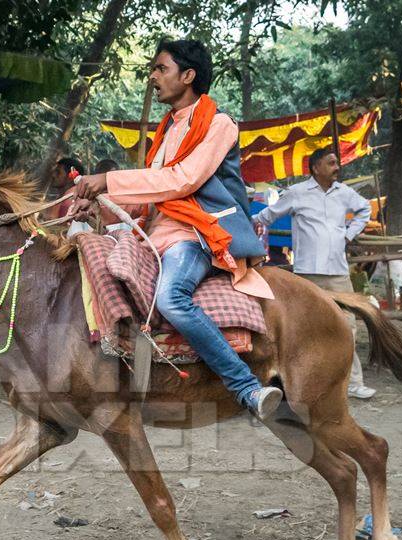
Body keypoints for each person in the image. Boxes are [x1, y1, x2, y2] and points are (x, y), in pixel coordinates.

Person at [73, 39, 282, 419]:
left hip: (197, 235)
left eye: (160, 68)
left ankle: (246, 387)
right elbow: (153, 193)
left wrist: (108, 180)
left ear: (188, 76)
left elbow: (182, 180)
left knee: (171, 298)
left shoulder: (219, 125)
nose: (153, 76)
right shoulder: (168, 130)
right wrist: (100, 204)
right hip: (157, 235)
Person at [253, 146, 376, 399]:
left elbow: (365, 210)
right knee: (302, 329)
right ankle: (298, 381)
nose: (337, 167)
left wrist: (349, 234)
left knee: (347, 325)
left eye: (336, 163)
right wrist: (244, 224)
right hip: (307, 275)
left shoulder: (345, 193)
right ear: (316, 167)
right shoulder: (297, 193)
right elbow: (266, 216)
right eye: (331, 163)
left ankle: (353, 383)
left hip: (338, 272)